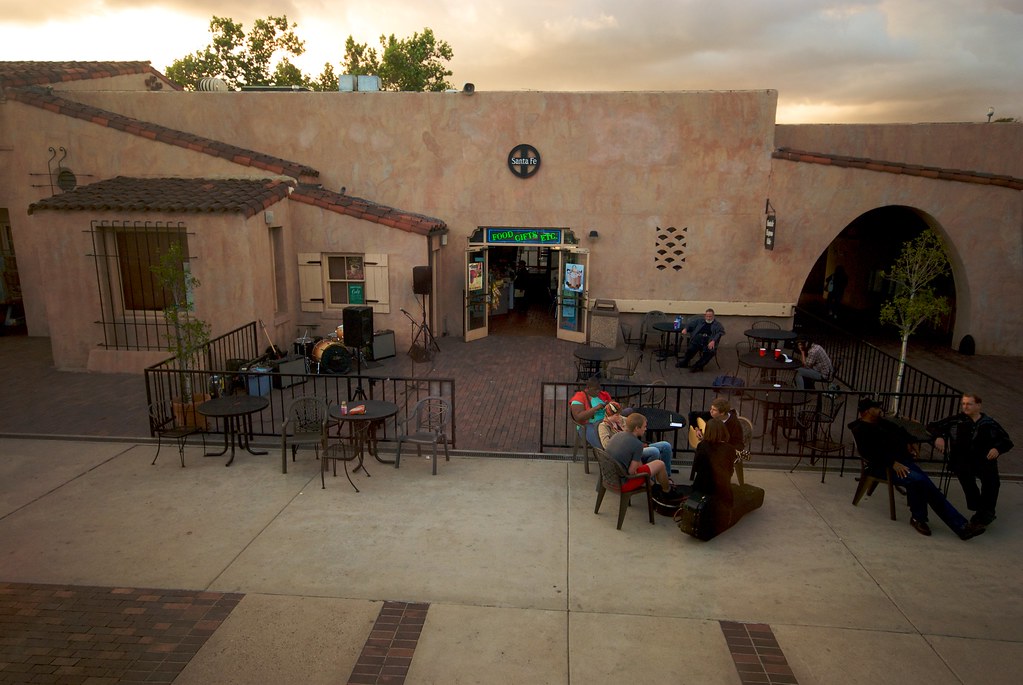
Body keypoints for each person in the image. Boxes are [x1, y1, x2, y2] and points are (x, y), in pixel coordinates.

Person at [849, 398, 985, 540]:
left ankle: (920, 519)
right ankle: (958, 525)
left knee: (923, 483)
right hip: (883, 468)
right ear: (866, 412)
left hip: (902, 462)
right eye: (875, 407)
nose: (879, 409)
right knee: (922, 482)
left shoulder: (881, 422)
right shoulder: (860, 430)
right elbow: (869, 453)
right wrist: (892, 463)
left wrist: (910, 441)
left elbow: (900, 431)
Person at [927, 393, 1013, 527]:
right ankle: (979, 507)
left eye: (969, 404)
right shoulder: (957, 420)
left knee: (992, 482)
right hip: (962, 460)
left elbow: (1006, 441)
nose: (965, 407)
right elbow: (932, 426)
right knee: (966, 479)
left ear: (978, 406)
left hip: (984, 460)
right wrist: (938, 437)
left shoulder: (989, 423)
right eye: (963, 404)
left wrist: (997, 449)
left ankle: (986, 512)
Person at [606, 412, 681, 502]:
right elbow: (631, 471)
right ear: (637, 428)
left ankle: (656, 488)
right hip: (621, 483)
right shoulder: (637, 444)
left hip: (609, 478)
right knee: (660, 464)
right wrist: (648, 477)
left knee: (650, 472)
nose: (645, 429)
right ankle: (667, 492)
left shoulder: (617, 435)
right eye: (644, 427)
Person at [599, 404, 675, 476]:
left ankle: (666, 475)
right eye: (616, 415)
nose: (619, 416)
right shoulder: (603, 426)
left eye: (619, 414)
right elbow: (606, 445)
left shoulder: (622, 420)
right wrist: (623, 438)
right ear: (609, 415)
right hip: (628, 451)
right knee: (654, 451)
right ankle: (648, 477)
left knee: (666, 445)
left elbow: (634, 423)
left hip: (638, 445)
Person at [691, 419, 736, 506]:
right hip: (722, 491)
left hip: (702, 488)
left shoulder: (702, 446)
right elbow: (730, 471)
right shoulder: (730, 449)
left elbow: (696, 467)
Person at [570, 376, 613, 450]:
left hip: (605, 422)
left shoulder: (604, 395)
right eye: (595, 389)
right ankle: (606, 455)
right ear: (588, 388)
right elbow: (578, 417)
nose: (598, 391)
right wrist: (595, 408)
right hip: (587, 425)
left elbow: (613, 408)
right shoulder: (579, 397)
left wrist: (610, 406)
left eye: (599, 389)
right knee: (602, 444)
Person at [677, 308, 725, 372]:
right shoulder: (700, 321)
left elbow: (720, 332)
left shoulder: (717, 325)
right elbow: (690, 324)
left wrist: (713, 341)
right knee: (690, 349)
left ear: (713, 316)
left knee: (710, 353)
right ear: (705, 316)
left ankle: (697, 366)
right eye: (707, 316)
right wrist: (686, 328)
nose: (708, 318)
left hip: (708, 340)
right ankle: (684, 362)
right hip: (698, 338)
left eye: (710, 316)